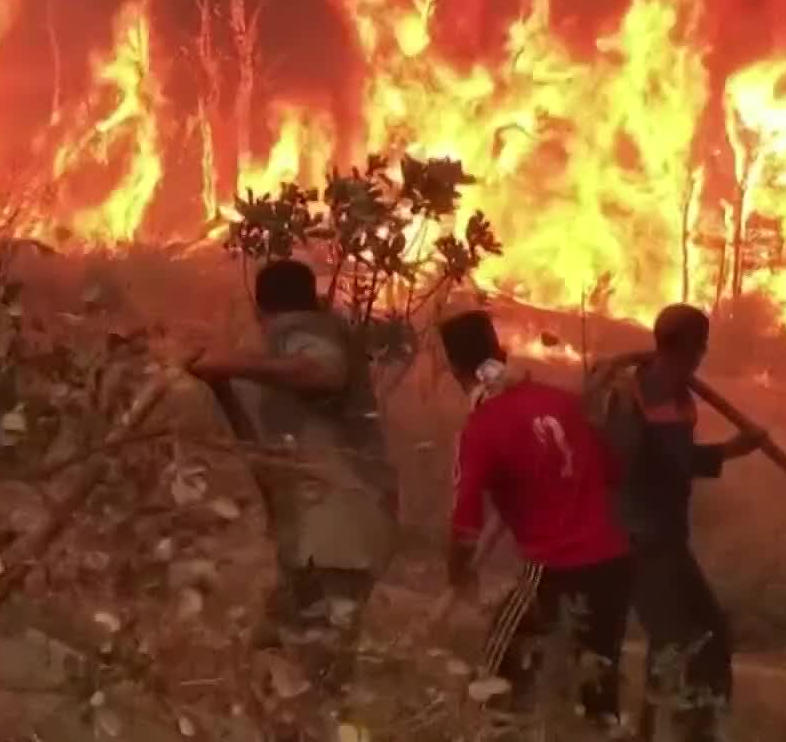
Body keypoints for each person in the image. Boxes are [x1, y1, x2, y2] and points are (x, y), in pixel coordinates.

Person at [186, 259, 399, 728]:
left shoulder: (302, 331)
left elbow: (324, 372)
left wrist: (231, 362)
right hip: (315, 540)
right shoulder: (290, 349)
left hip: (340, 536)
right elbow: (265, 453)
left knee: (318, 680)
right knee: (272, 657)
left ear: (261, 309)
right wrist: (221, 385)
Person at [440, 310, 636, 727]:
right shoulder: (562, 402)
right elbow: (612, 473)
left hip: (554, 570)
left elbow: (464, 524)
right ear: (504, 353)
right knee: (597, 684)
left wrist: (459, 578)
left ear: (455, 370)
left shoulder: (481, 427)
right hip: (615, 565)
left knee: (496, 677)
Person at [594, 304, 764, 742]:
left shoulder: (660, 385)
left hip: (662, 537)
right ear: (689, 347)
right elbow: (675, 460)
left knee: (707, 632)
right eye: (701, 344)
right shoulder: (651, 391)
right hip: (640, 540)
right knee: (675, 641)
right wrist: (734, 448)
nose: (704, 353)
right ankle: (667, 731)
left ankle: (696, 726)